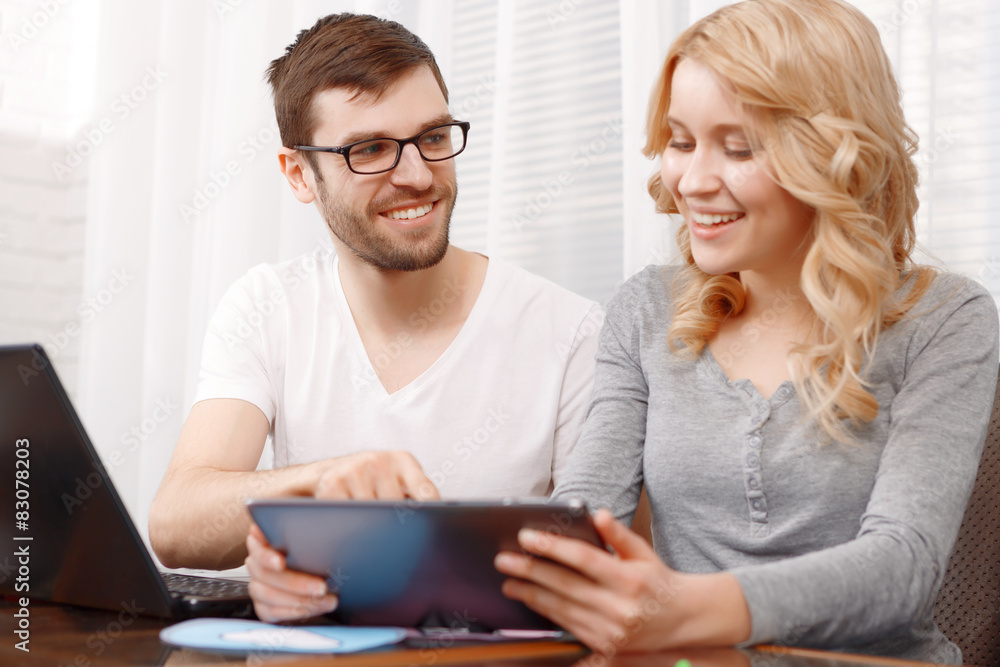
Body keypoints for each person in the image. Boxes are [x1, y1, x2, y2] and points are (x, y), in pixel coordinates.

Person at [492, 0, 999, 663]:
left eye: (740, 147)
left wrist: (681, 608)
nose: (692, 182)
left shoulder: (945, 320)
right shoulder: (645, 307)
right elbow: (582, 520)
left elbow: (901, 567)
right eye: (680, 141)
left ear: (831, 154)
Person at [148, 12, 602, 620]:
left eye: (434, 138)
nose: (417, 176)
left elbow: (607, 575)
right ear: (298, 175)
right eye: (370, 150)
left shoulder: (571, 333)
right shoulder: (268, 308)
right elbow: (177, 522)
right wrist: (317, 496)